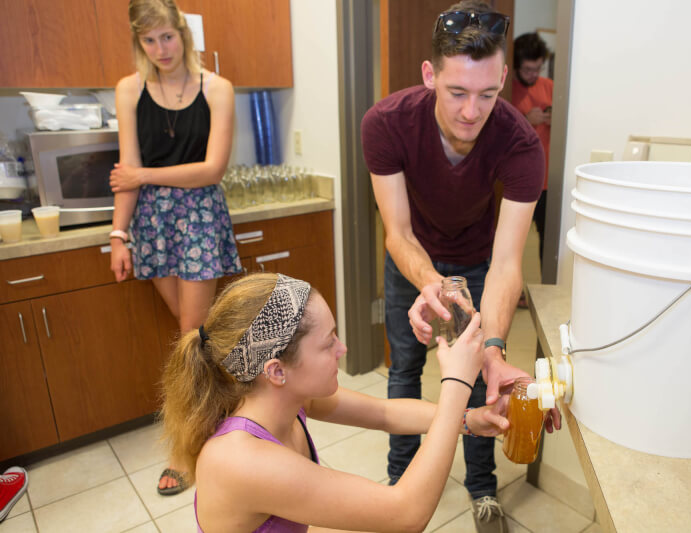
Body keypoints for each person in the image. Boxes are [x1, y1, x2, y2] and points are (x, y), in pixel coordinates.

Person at [361, 2, 561, 532]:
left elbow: (506, 262)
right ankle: (398, 484)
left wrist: (493, 346)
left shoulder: (519, 142)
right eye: (456, 92)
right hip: (412, 261)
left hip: (477, 259)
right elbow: (397, 233)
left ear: (501, 80)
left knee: (479, 379)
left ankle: (482, 489)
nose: (472, 111)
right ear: (430, 76)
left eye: (488, 94)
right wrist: (431, 286)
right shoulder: (386, 124)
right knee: (404, 371)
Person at [160, 272, 509, 533]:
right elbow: (406, 513)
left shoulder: (286, 401)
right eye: (329, 343)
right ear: (277, 370)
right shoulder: (239, 460)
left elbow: (386, 413)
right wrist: (457, 383)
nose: (342, 349)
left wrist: (469, 419)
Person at [109, 0, 241, 496]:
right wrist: (118, 235)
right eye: (149, 40)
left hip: (201, 215)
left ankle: (187, 450)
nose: (160, 49)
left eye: (167, 36)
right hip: (152, 223)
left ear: (182, 34)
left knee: (191, 334)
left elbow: (212, 170)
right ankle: (225, 414)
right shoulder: (129, 90)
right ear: (138, 42)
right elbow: (126, 172)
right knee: (197, 337)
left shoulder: (217, 89)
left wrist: (143, 175)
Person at [511, 32, 553, 262]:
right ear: (516, 66)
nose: (534, 74)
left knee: (547, 240)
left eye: (538, 68)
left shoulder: (551, 87)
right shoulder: (507, 89)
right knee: (512, 240)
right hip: (515, 179)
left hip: (546, 181)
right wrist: (526, 120)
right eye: (528, 70)